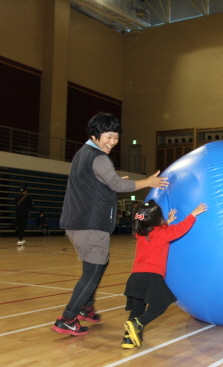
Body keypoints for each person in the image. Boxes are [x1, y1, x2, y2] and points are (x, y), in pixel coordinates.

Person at [52, 112, 169, 336]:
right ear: (95, 135)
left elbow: (95, 183)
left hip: (78, 221)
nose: (112, 143)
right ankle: (67, 318)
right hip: (90, 223)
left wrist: (110, 184)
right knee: (92, 271)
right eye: (108, 137)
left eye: (116, 138)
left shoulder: (82, 153)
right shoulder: (98, 157)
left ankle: (86, 307)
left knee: (98, 266)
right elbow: (117, 185)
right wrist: (149, 182)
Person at [122, 200, 208, 348]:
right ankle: (138, 323)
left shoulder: (140, 233)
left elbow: (155, 231)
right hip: (151, 276)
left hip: (135, 277)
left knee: (138, 309)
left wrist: (166, 221)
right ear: (157, 220)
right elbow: (180, 229)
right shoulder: (163, 234)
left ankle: (128, 340)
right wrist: (193, 214)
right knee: (160, 305)